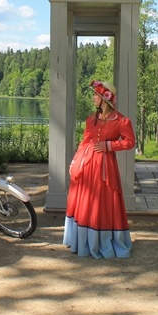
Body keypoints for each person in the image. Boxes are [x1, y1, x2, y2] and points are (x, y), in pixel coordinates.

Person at [63, 80, 136, 259]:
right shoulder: (91, 119)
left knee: (102, 203)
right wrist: (75, 162)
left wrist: (109, 146)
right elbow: (85, 141)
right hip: (87, 165)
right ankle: (84, 241)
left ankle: (102, 239)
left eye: (96, 95)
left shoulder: (121, 121)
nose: (93, 98)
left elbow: (130, 142)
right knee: (86, 200)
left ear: (105, 98)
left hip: (104, 168)